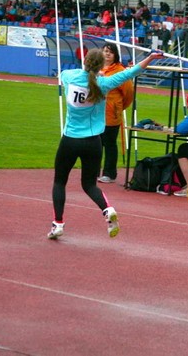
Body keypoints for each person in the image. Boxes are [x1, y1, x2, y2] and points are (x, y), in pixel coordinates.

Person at [47, 49, 162, 240]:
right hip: (93, 142)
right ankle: (107, 209)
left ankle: (58, 223)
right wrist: (150, 57)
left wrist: (95, 72)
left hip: (70, 140)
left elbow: (65, 74)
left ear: (85, 61)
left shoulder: (69, 76)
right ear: (102, 65)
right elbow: (131, 73)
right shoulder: (104, 83)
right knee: (89, 185)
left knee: (60, 182)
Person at [97, 44, 134, 185]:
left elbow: (129, 94)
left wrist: (118, 107)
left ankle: (109, 173)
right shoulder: (97, 68)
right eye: (105, 51)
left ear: (115, 55)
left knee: (109, 143)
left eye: (110, 52)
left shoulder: (120, 71)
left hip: (111, 113)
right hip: (96, 113)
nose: (107, 54)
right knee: (95, 144)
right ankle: (93, 171)